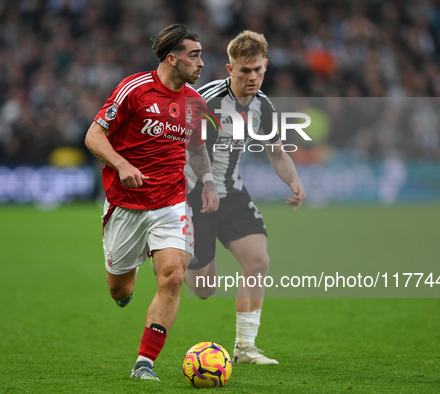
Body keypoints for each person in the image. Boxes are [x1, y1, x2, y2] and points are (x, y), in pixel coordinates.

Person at [84, 24, 219, 381]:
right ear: (172, 58)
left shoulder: (195, 103)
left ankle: (145, 362)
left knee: (173, 275)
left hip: (171, 202)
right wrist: (121, 163)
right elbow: (94, 135)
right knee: (120, 289)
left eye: (201, 54)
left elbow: (198, 150)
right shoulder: (135, 89)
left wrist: (207, 182)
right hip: (126, 204)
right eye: (194, 55)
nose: (201, 63)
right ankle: (128, 277)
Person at [185, 30, 306, 365]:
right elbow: (187, 148)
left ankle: (244, 348)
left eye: (258, 70)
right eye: (244, 71)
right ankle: (169, 253)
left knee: (258, 261)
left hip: (233, 193)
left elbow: (277, 152)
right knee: (204, 288)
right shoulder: (204, 101)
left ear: (265, 66)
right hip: (195, 197)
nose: (252, 77)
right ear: (229, 69)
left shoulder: (263, 106)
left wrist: (293, 181)